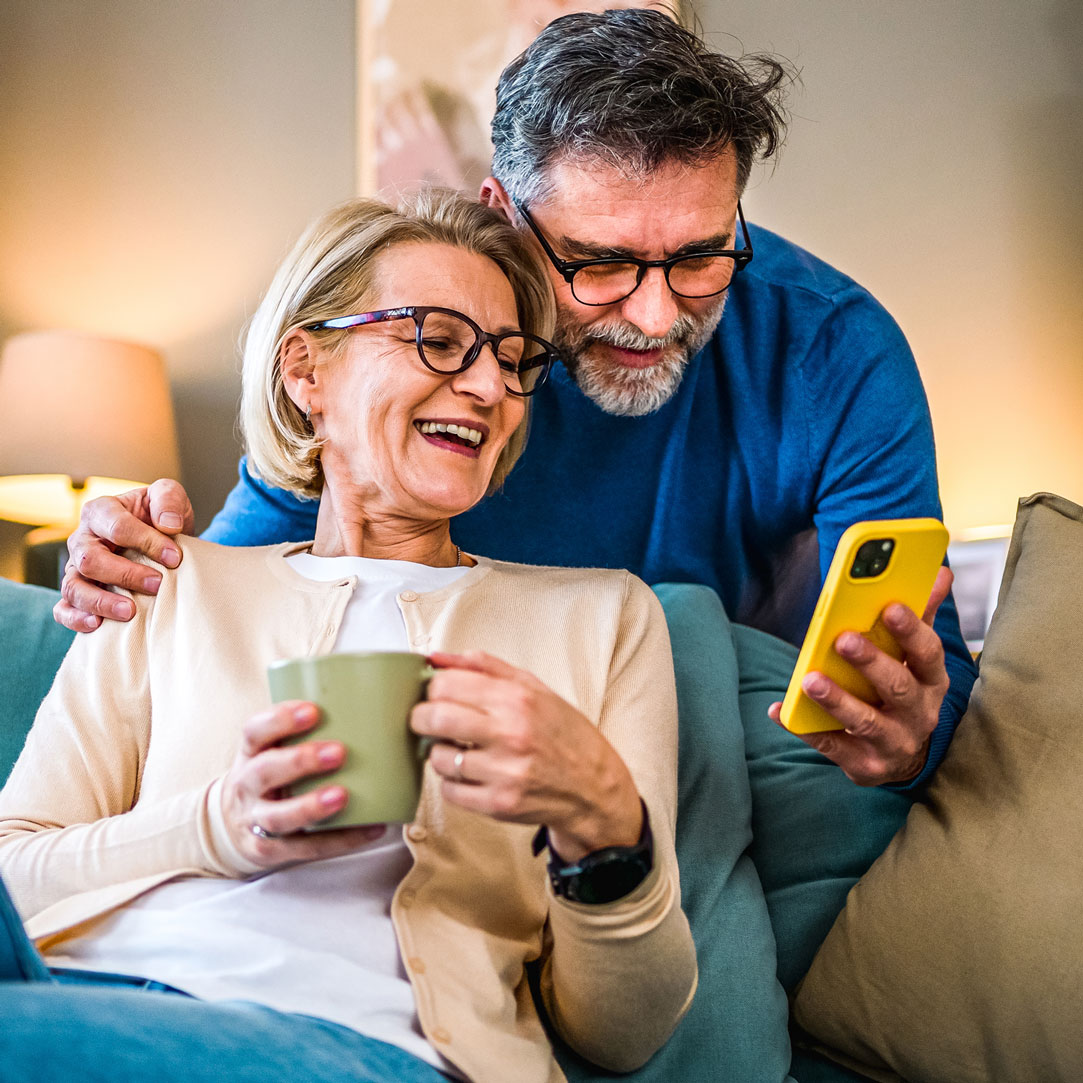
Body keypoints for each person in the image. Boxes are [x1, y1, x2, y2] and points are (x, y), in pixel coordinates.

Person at [56, 9, 975, 788]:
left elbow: (931, 681)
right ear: (502, 210)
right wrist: (123, 577)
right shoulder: (404, 359)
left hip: (708, 752)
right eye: (600, 261)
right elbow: (224, 598)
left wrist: (907, 740)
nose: (655, 315)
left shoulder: (834, 347)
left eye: (700, 256)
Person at [0, 190, 696, 1083]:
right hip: (71, 991)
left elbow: (624, 1033)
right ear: (306, 371)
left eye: (512, 359)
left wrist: (604, 818)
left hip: (351, 1044)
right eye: (438, 340)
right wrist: (216, 826)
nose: (488, 387)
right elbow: (14, 874)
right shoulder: (171, 578)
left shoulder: (600, 619)